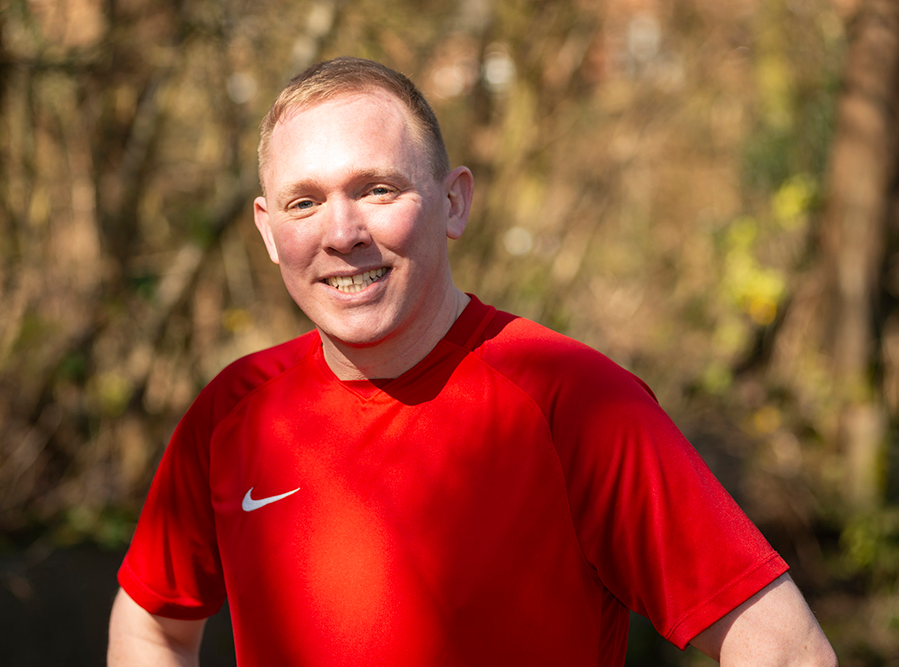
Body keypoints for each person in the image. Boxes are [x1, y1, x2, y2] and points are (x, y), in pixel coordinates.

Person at [108, 57, 836, 666]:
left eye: (377, 189)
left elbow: (786, 649)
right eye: (304, 202)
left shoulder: (574, 402)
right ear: (269, 231)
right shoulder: (237, 409)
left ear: (453, 204)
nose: (342, 232)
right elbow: (152, 625)